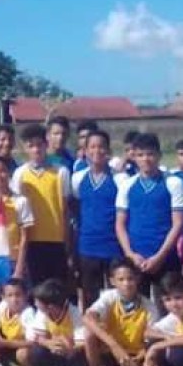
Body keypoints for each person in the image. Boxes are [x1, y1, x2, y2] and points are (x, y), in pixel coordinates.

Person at [115, 134, 183, 303]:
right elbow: (120, 224)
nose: (145, 159)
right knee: (137, 312)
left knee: (168, 310)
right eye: (140, 155)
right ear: (134, 157)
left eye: (150, 154)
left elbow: (178, 224)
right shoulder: (127, 184)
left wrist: (159, 257)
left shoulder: (174, 183)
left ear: (159, 155)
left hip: (165, 258)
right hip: (136, 260)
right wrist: (130, 254)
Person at [80, 259, 158, 366]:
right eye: (121, 279)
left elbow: (152, 341)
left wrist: (139, 358)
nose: (126, 284)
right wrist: (114, 346)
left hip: (135, 356)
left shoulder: (149, 306)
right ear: (112, 281)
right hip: (112, 352)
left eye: (130, 279)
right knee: (89, 333)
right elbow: (87, 318)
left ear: (138, 279)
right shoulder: (109, 297)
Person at [11, 124, 73, 286]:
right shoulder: (20, 174)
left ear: (46, 144)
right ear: (25, 148)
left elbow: (65, 210)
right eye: (31, 146)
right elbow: (17, 210)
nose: (36, 149)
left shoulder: (61, 172)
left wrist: (67, 241)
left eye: (39, 145)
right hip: (30, 240)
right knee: (35, 289)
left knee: (56, 288)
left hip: (55, 240)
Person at [71, 130, 124, 308]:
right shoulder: (78, 178)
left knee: (117, 295)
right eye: (92, 146)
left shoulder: (120, 178)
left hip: (113, 246)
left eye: (101, 146)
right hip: (88, 246)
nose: (97, 151)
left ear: (108, 150)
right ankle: (91, 334)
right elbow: (76, 209)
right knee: (89, 296)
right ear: (85, 150)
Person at [24, 278, 89, 366]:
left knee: (83, 354)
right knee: (36, 350)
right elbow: (37, 337)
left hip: (72, 353)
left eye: (38, 302)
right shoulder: (42, 313)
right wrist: (50, 344)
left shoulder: (74, 313)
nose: (35, 304)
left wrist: (68, 347)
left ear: (50, 306)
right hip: (53, 351)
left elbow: (81, 342)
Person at [0, 155, 34, 285]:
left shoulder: (21, 201)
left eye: (2, 171)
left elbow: (24, 237)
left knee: (15, 298)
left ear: (9, 173)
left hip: (13, 260)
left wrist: (19, 268)